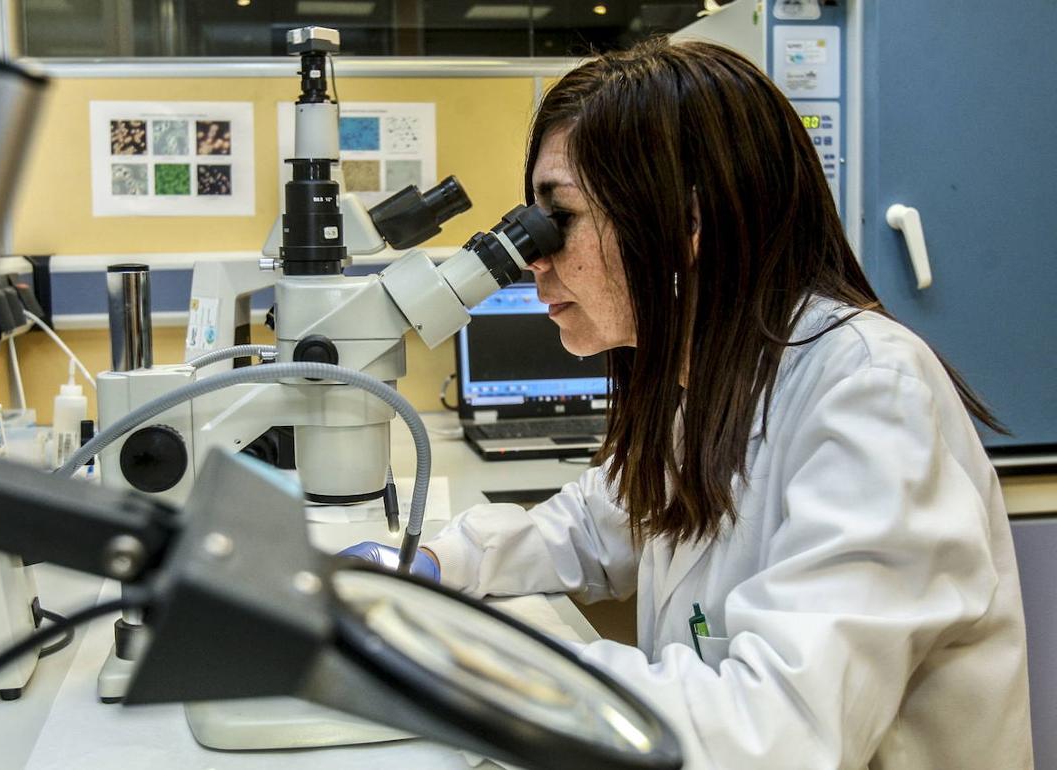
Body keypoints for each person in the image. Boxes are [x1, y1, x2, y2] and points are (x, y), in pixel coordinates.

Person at [341, 37, 1032, 769]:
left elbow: (779, 731)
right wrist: (435, 564)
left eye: (558, 219)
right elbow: (592, 527)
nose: (533, 261)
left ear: (685, 225)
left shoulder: (866, 390)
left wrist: (470, 660)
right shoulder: (712, 374)